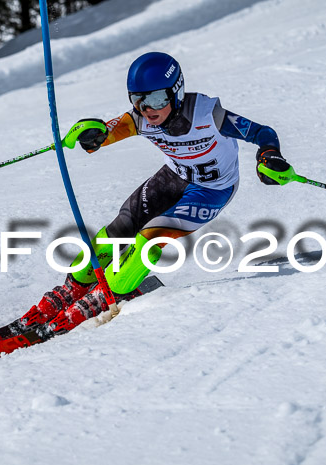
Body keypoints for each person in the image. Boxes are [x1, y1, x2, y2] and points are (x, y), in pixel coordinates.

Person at [20, 51, 291, 336]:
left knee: (150, 236)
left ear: (176, 92)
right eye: (138, 99)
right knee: (121, 226)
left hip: (211, 190)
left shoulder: (207, 114)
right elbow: (106, 133)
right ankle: (74, 285)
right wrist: (92, 134)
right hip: (173, 177)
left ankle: (110, 292)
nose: (148, 109)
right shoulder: (140, 119)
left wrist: (269, 156)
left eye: (157, 99)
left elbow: (262, 132)